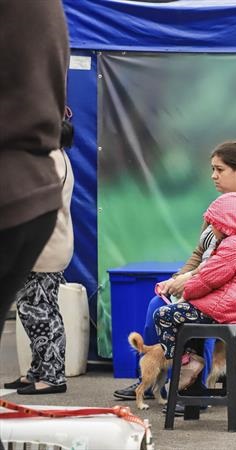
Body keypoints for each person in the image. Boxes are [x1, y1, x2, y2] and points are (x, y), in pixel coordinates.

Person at [113, 141, 236, 409]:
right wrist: (175, 280)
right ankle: (154, 378)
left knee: (204, 314)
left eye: (219, 169)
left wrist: (186, 282)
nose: (213, 176)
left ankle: (194, 391)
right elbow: (201, 252)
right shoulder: (223, 206)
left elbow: (227, 263)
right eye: (212, 169)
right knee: (158, 304)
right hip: (228, 284)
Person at [0, 1, 69, 347]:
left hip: (14, 194)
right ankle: (45, 371)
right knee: (39, 315)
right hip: (31, 205)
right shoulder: (52, 159)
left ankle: (49, 372)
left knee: (41, 316)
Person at [154, 192, 236, 360]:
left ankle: (183, 362)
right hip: (233, 310)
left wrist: (185, 294)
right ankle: (190, 358)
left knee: (163, 315)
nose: (211, 228)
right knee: (181, 317)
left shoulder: (232, 247)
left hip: (218, 311)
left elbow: (206, 281)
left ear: (225, 225)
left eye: (213, 224)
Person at [4, 148, 74, 395]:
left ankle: (53, 376)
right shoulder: (54, 156)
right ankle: (39, 371)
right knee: (34, 310)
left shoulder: (50, 157)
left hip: (45, 246)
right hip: (46, 244)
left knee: (40, 312)